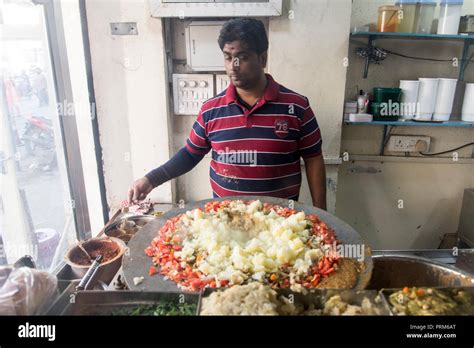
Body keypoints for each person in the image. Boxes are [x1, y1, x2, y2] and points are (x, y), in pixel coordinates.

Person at [128, 18, 327, 209]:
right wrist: (151, 179)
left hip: (280, 225)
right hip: (227, 221)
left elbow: (313, 159)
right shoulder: (211, 110)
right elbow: (190, 154)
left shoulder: (296, 107)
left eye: (243, 57)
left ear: (263, 58)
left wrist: (321, 213)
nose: (234, 66)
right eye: (228, 57)